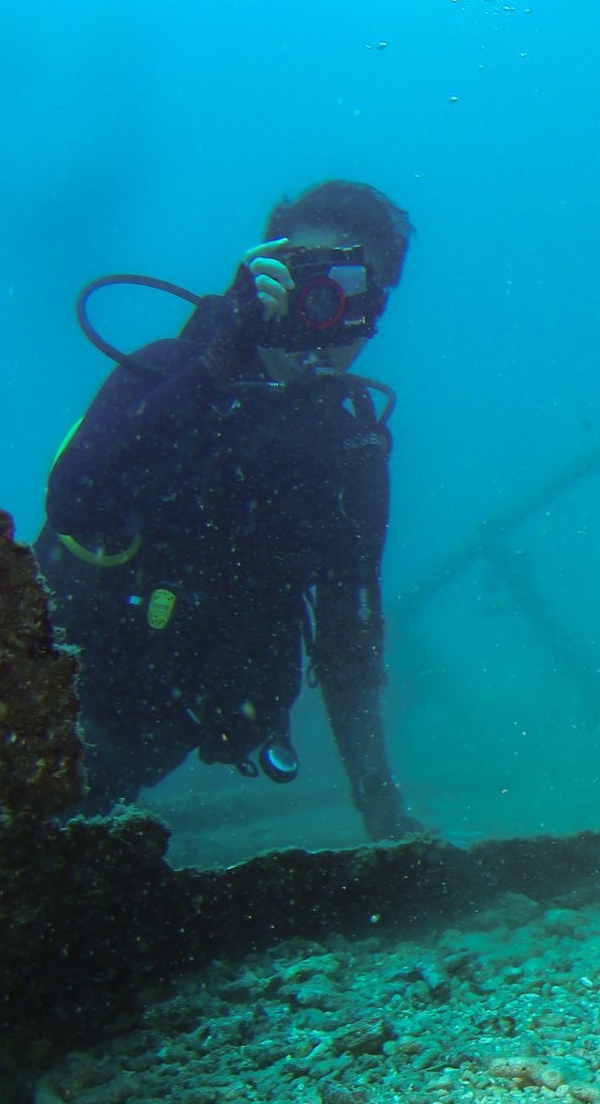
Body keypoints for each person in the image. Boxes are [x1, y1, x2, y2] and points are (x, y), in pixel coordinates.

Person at [36, 179, 422, 840]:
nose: (324, 303)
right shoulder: (167, 372)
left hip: (149, 739)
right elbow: (76, 502)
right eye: (305, 275)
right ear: (260, 269)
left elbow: (345, 635)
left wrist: (383, 809)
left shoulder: (348, 449)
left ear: (378, 307)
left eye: (354, 286)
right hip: (43, 696)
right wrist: (219, 361)